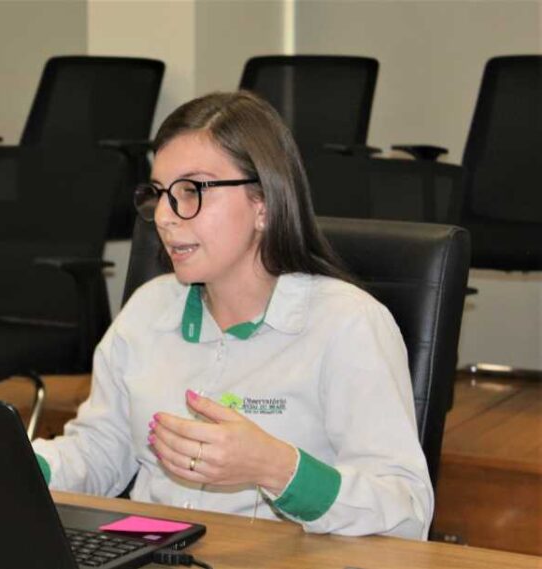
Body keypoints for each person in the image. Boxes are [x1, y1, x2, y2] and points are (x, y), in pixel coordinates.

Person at [32, 91, 433, 540]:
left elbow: (408, 513)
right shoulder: (147, 310)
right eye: (160, 193)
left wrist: (276, 468)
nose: (164, 216)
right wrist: (17, 465)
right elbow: (101, 450)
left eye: (191, 191)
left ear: (263, 203)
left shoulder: (347, 324)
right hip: (151, 553)